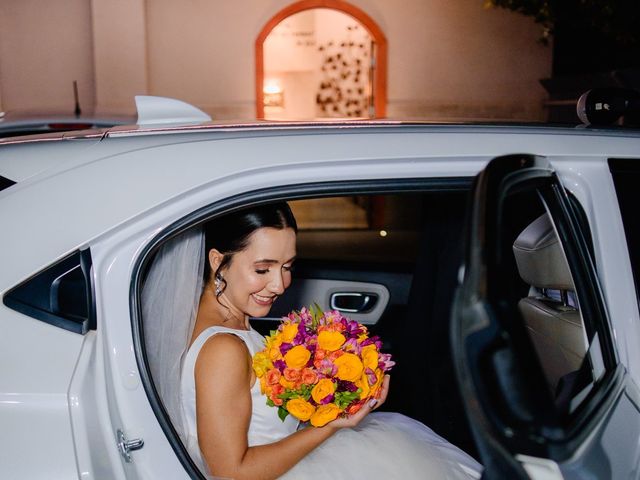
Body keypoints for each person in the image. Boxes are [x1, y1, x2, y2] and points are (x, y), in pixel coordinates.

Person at [143, 202, 482, 480]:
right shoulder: (223, 349)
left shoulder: (226, 323)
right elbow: (231, 472)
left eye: (287, 266)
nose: (279, 284)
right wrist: (333, 424)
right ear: (219, 261)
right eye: (263, 269)